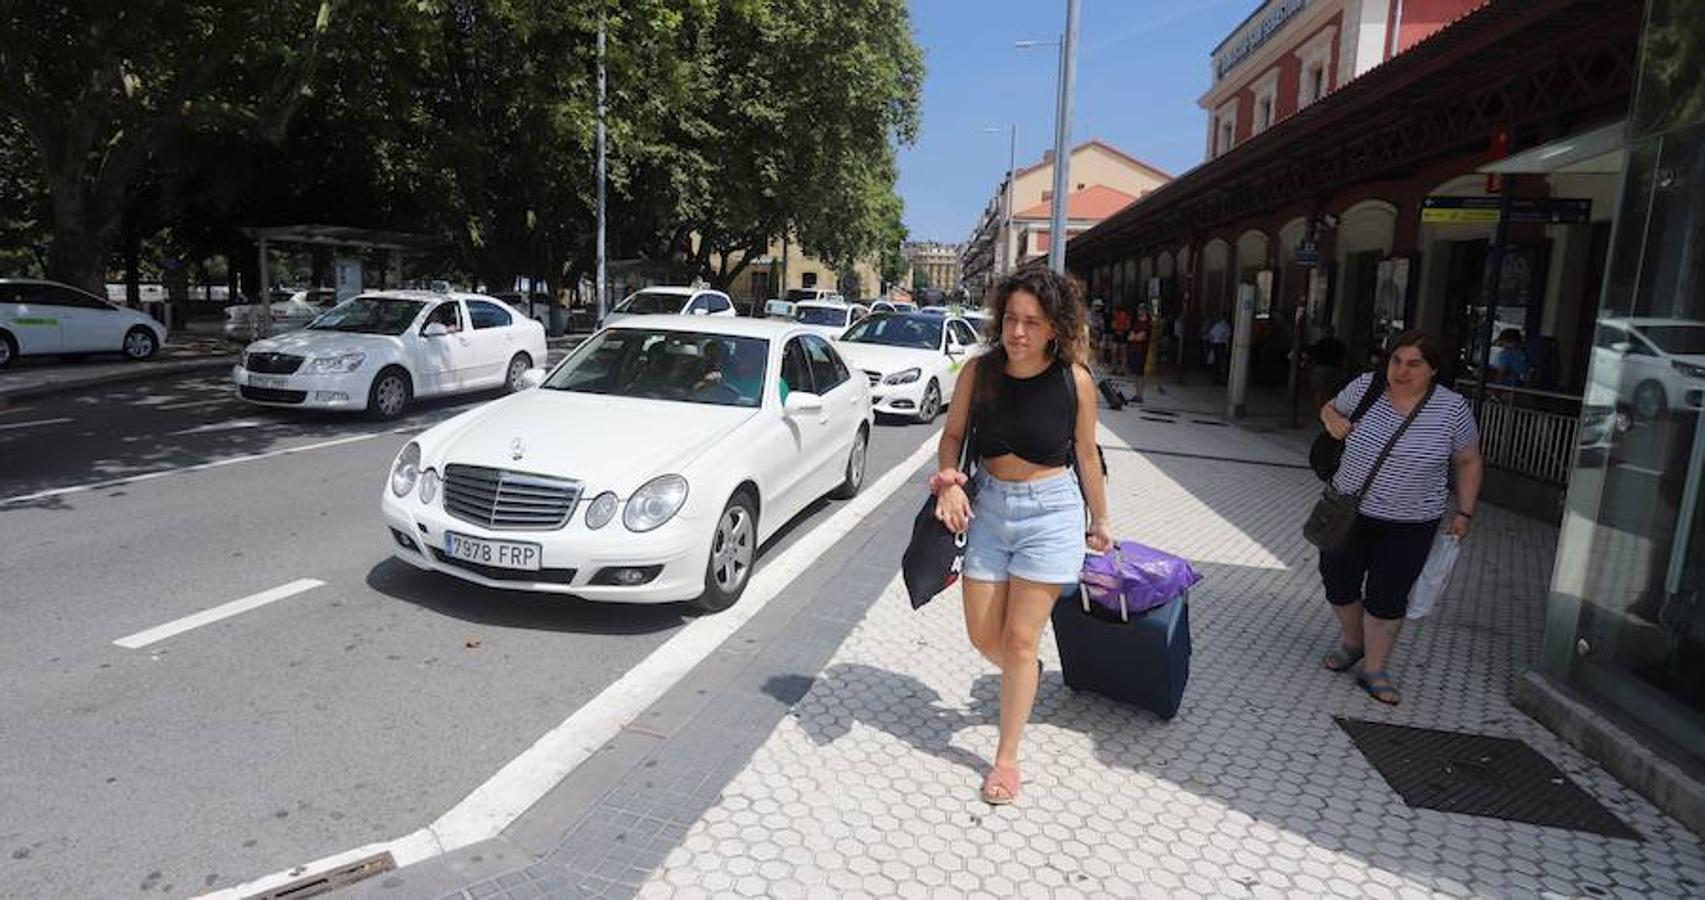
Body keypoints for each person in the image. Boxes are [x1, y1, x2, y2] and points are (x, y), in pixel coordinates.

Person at [930, 268, 1114, 805]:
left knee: (1018, 638)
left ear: (1055, 328)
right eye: (1011, 318)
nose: (1017, 332)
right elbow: (953, 436)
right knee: (985, 637)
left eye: (1032, 322)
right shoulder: (978, 372)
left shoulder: (1073, 380)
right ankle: (1024, 675)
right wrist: (948, 482)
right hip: (986, 507)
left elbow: (1086, 454)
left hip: (1051, 512)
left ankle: (1006, 759)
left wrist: (1100, 519)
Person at [1317, 331, 1483, 706]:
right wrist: (1333, 422)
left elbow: (1469, 460)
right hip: (1348, 511)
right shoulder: (1366, 387)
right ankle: (1353, 641)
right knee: (1337, 580)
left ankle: (1375, 668)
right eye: (1396, 361)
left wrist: (1465, 511)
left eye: (1414, 364)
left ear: (1433, 369)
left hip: (1411, 522)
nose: (1402, 371)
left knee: (1388, 595)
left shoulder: (1452, 409)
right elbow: (1329, 408)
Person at [1305, 324, 1349, 409]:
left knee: (1319, 391)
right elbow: (1344, 357)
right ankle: (1328, 411)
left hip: (1321, 369)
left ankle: (1320, 410)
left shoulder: (1320, 343)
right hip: (1335, 369)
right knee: (1331, 392)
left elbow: (1310, 354)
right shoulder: (1339, 344)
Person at [1128, 307, 1152, 381]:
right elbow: (1129, 337)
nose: (1139, 311)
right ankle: (1137, 391)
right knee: (1134, 374)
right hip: (1133, 349)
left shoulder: (1148, 323)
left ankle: (1139, 392)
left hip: (1142, 350)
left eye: (1141, 309)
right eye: (1139, 309)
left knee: (1140, 373)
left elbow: (1141, 338)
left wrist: (1135, 336)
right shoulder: (1135, 322)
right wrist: (1136, 336)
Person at [1207, 315, 1232, 382]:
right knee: (1220, 361)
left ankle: (1215, 375)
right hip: (1221, 344)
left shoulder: (1216, 325)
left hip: (1215, 343)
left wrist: (1212, 342)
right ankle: (1218, 376)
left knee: (1216, 360)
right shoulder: (1227, 326)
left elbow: (1211, 334)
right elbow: (1227, 337)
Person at [1110, 304, 1133, 374]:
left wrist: (1120, 329)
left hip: (1122, 334)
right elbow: (1113, 325)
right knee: (1116, 352)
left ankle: (1121, 369)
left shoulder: (1125, 316)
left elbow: (1127, 326)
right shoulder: (1116, 315)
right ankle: (1116, 368)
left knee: (1121, 352)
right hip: (1119, 334)